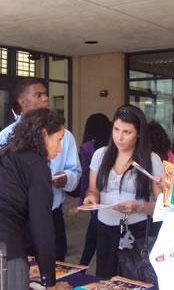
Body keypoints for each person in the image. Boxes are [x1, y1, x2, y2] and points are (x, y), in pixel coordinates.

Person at [0, 108, 72, 290]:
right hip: (4, 256)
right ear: (43, 133)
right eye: (59, 139)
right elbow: (43, 229)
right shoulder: (36, 166)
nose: (60, 148)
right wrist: (50, 283)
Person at [0, 78, 82, 261]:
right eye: (38, 95)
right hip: (17, 219)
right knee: (20, 272)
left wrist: (66, 178)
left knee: (56, 269)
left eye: (46, 94)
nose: (45, 99)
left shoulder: (65, 136)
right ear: (22, 101)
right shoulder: (3, 138)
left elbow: (75, 172)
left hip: (51, 213)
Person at [84, 104, 163, 279]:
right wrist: (90, 198)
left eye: (127, 132)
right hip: (105, 229)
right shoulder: (100, 155)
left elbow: (161, 207)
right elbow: (93, 190)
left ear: (139, 133)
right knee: (106, 280)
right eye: (116, 129)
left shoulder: (151, 160)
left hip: (137, 232)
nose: (119, 137)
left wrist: (139, 206)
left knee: (134, 281)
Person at [69, 113, 111, 267]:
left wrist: (82, 202)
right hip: (112, 197)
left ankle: (81, 269)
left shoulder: (88, 148)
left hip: (96, 198)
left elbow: (86, 177)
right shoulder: (114, 145)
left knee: (92, 239)